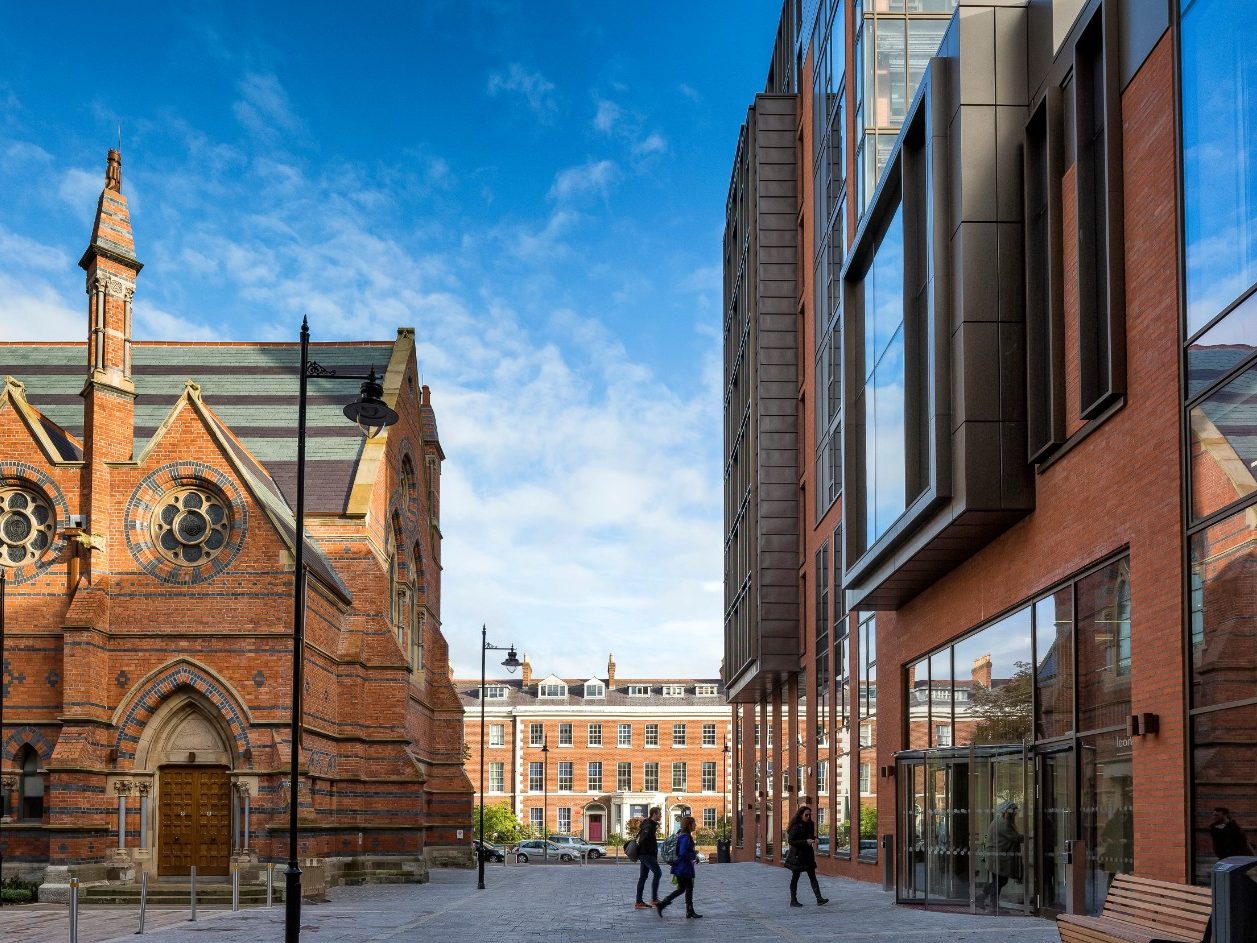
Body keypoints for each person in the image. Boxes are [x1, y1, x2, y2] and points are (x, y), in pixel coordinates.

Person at [979, 800, 1024, 909]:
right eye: (1013, 811)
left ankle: (986, 901)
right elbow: (1015, 837)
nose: (1015, 813)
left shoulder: (1001, 821)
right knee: (999, 881)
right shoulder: (1003, 823)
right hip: (997, 858)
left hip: (998, 857)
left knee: (999, 881)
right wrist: (1030, 836)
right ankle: (988, 902)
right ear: (1007, 812)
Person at [656, 815, 701, 919]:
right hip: (684, 867)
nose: (695, 825)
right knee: (688, 888)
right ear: (689, 825)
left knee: (681, 889)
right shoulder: (685, 837)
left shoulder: (681, 835)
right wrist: (694, 855)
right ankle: (689, 911)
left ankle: (663, 904)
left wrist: (693, 852)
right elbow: (682, 852)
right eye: (694, 823)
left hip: (679, 867)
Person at [785, 805, 829, 907]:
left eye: (810, 815)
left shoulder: (810, 824)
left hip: (808, 855)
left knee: (812, 876)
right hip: (797, 855)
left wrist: (815, 838)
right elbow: (791, 841)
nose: (808, 817)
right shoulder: (795, 825)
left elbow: (811, 836)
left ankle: (819, 899)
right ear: (801, 815)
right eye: (806, 815)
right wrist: (805, 841)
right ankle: (793, 900)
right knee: (795, 877)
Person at [634, 807, 663, 909]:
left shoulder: (649, 824)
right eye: (659, 814)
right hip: (647, 855)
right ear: (654, 814)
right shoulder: (649, 825)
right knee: (658, 873)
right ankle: (654, 899)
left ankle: (639, 901)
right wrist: (652, 850)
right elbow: (643, 839)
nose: (661, 816)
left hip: (644, 854)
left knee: (643, 877)